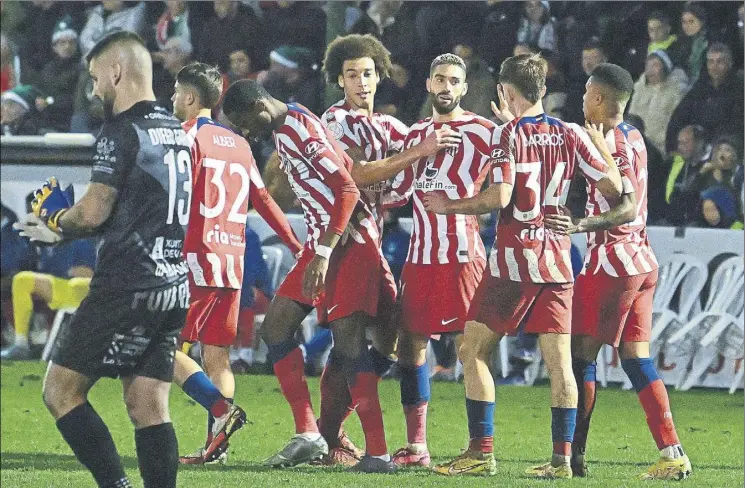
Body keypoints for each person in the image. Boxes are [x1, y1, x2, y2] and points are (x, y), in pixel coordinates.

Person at [222, 79, 456, 473]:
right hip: (323, 243)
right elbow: (346, 175)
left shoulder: (300, 128)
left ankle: (378, 454)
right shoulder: (288, 128)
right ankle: (310, 432)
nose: (246, 132)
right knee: (276, 328)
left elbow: (346, 190)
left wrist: (326, 248)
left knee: (351, 348)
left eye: (245, 123)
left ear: (261, 108)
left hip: (345, 247)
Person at [426, 53, 623, 478]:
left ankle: (481, 451)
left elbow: (500, 198)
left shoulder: (508, 134)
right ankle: (561, 460)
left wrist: (449, 206)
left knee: (472, 350)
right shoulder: (570, 133)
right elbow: (614, 186)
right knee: (560, 365)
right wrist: (604, 150)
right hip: (556, 261)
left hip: (513, 263)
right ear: (543, 91)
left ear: (504, 91)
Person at [16, 31, 192, 488]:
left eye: (96, 78)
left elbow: (93, 211)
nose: (95, 89)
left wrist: (56, 220)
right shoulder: (176, 129)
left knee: (60, 391)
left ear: (116, 72)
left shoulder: (120, 129)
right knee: (148, 404)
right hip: (172, 283)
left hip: (127, 284)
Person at [544, 63, 692, 481]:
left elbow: (625, 206)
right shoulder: (632, 136)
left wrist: (580, 225)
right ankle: (672, 453)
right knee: (635, 359)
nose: (583, 97)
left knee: (580, 358)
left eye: (588, 91)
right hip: (641, 261)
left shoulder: (614, 143)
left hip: (613, 262)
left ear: (599, 99)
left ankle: (574, 458)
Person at [168, 62, 303, 465]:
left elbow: (171, 200)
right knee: (216, 356)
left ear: (191, 98)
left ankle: (222, 411)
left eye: (176, 93)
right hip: (231, 260)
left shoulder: (183, 138)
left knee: (159, 348)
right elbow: (264, 202)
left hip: (194, 258)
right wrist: (298, 245)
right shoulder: (239, 145)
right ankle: (216, 449)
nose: (173, 100)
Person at [384, 53, 498, 468]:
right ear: (429, 85)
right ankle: (417, 447)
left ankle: (481, 448)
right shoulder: (414, 134)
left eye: (454, 80)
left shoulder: (484, 132)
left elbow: (509, 184)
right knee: (409, 347)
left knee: (472, 350)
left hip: (464, 256)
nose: (446, 87)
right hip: (421, 257)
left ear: (464, 89)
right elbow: (397, 193)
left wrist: (459, 204)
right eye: (439, 79)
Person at [317, 33, 412, 467]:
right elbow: (357, 172)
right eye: (352, 75)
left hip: (371, 241)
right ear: (340, 80)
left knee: (390, 332)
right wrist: (419, 153)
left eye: (368, 74)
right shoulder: (334, 122)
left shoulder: (391, 128)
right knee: (351, 345)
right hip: (343, 242)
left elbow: (426, 155)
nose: (361, 82)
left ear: (380, 77)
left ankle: (328, 435)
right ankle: (372, 449)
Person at [1, 234, 96, 361]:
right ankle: (21, 344)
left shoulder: (82, 240)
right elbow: (45, 271)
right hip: (61, 286)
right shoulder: (45, 244)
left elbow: (88, 273)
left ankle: (63, 340)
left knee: (78, 283)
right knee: (21, 279)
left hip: (84, 291)